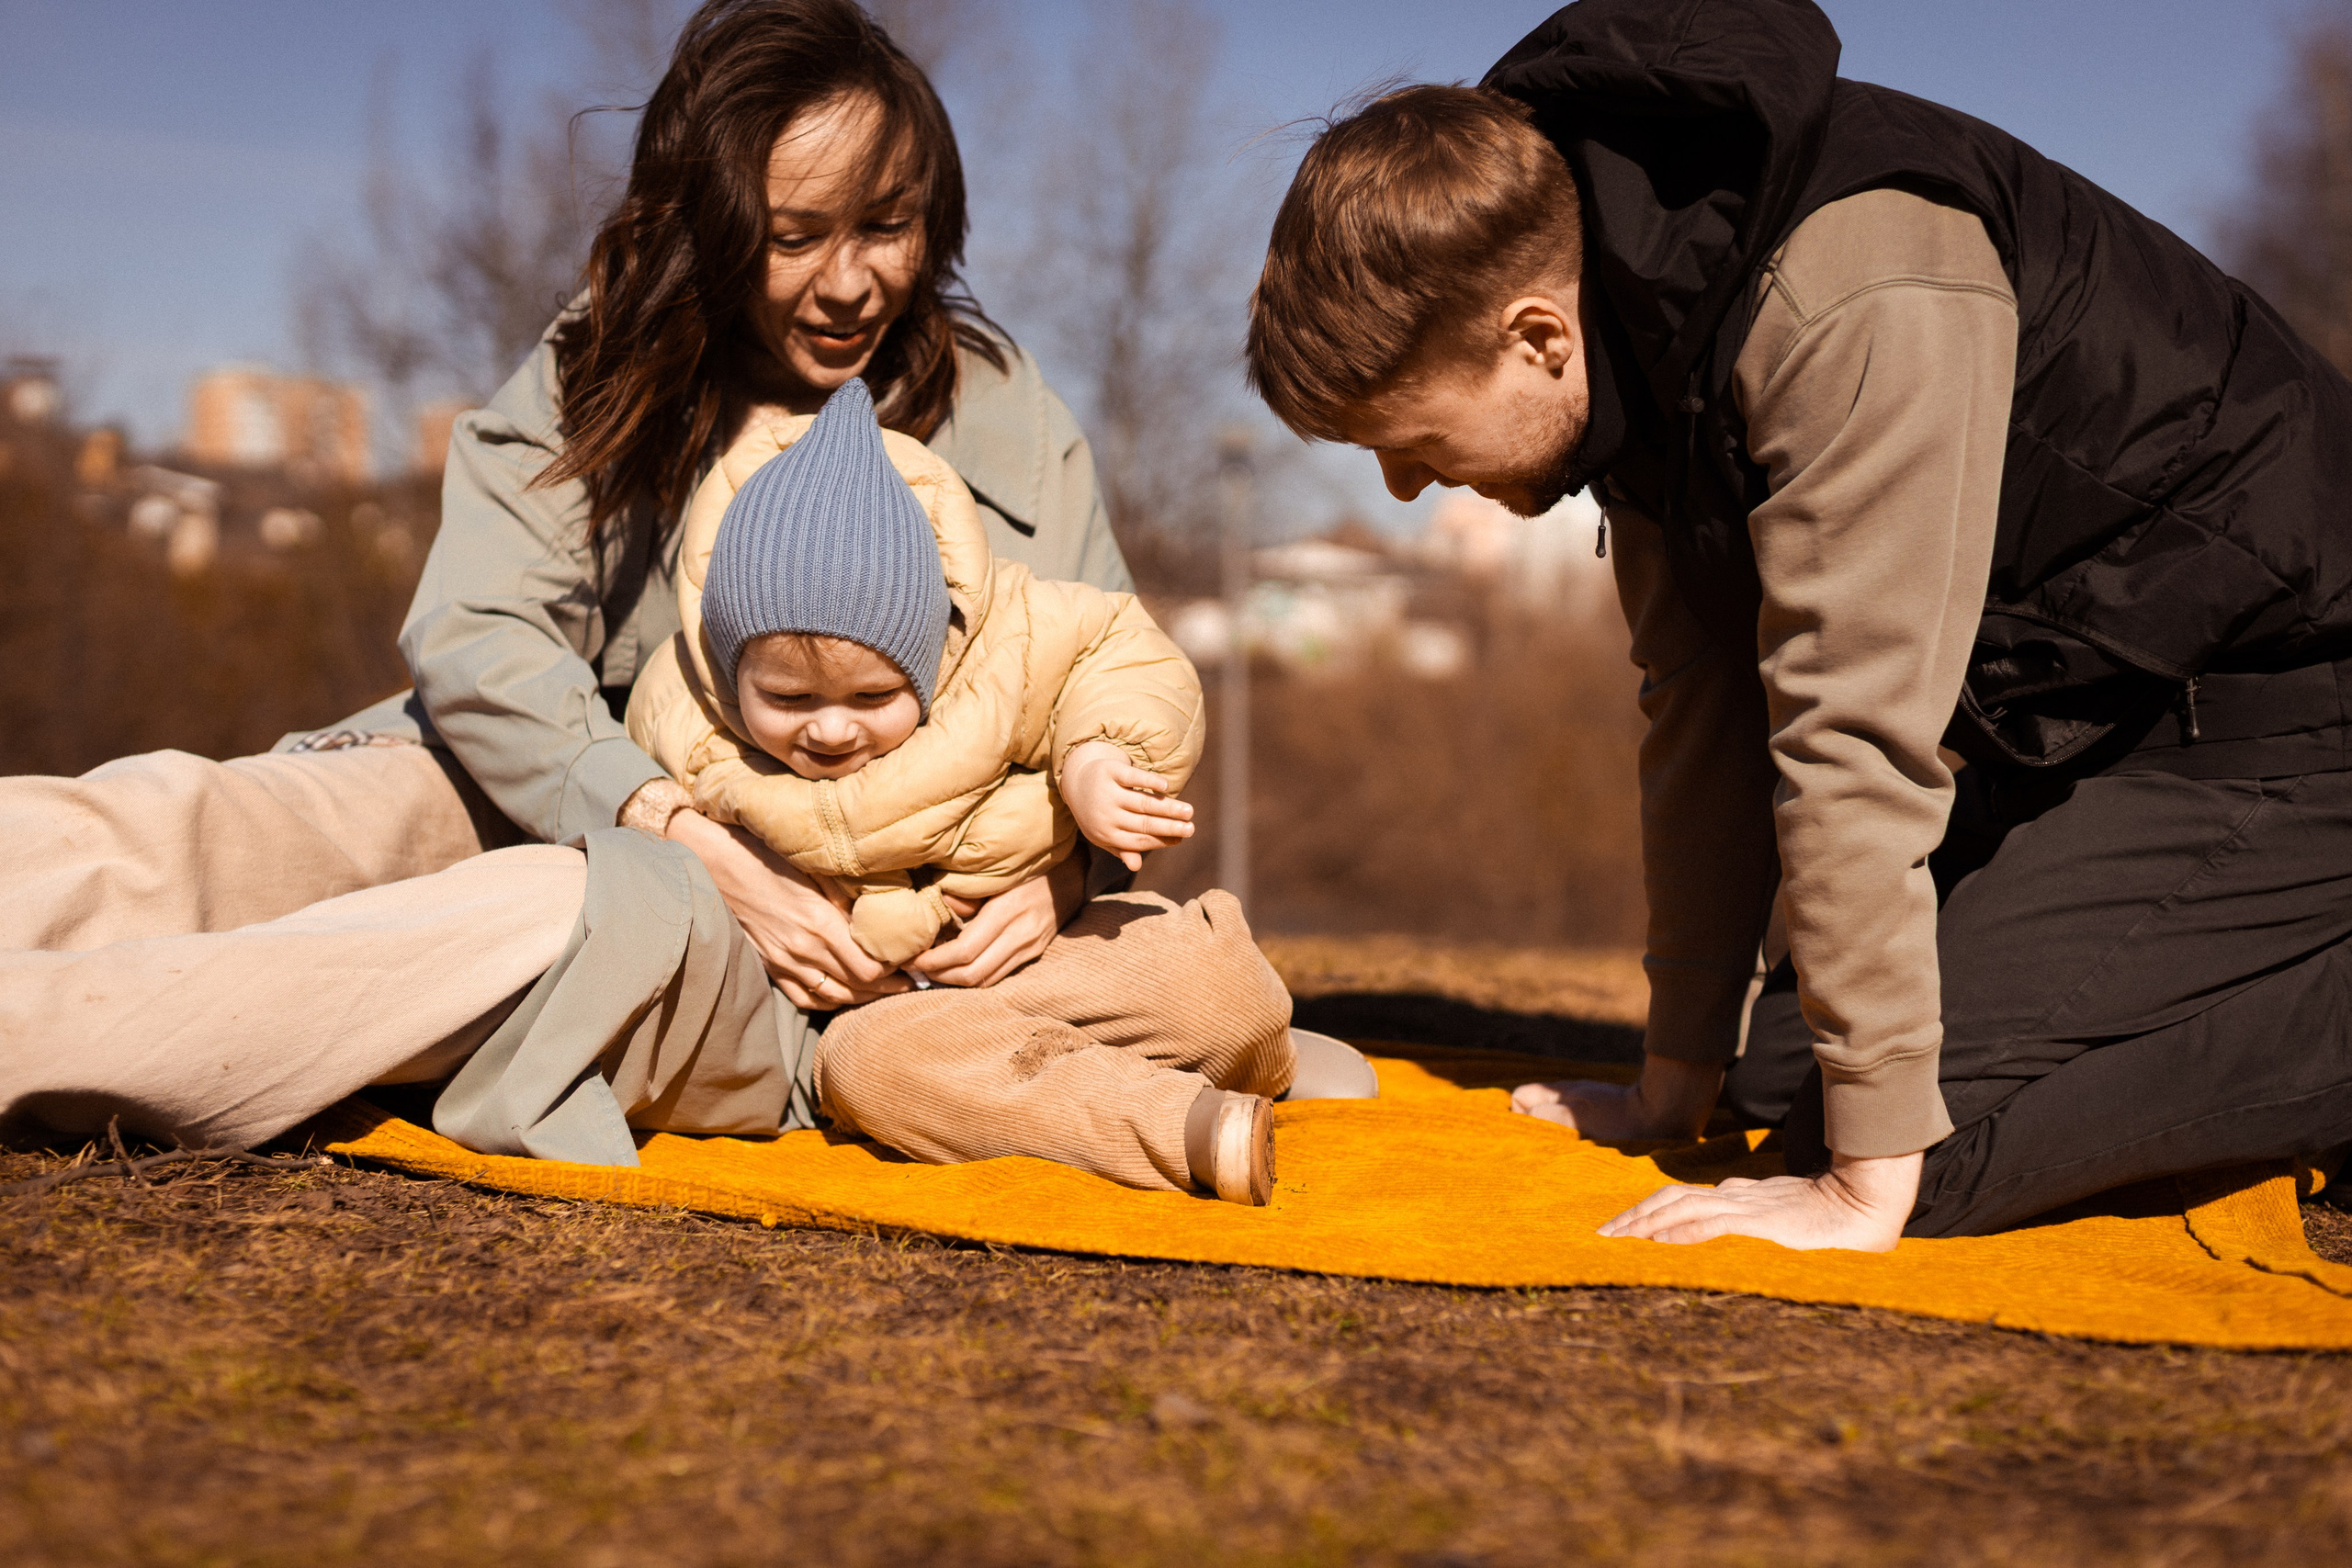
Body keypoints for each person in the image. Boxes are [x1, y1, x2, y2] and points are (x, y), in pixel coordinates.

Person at [1242, 0, 2352, 1248]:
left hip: (2288, 698)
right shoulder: (1637, 337)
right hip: (2096, 723)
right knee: (1777, 1082)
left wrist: (1860, 1188)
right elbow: (1701, 710)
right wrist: (1674, 1081)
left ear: (1536, 337)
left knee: (1915, 1146)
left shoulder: (1848, 292)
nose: (1402, 487)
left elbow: (1853, 730)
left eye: (1410, 440)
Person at [0, 0, 1134, 1155]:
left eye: (887, 226)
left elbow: (1109, 685)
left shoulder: (1002, 414)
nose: (850, 284)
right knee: (224, 826)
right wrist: (675, 825)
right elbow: (480, 631)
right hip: (542, 788)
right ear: (711, 224)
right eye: (794, 238)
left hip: (795, 926)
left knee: (514, 923)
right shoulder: (607, 363)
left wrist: (1061, 874)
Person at [627, 377, 1298, 1201]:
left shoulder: (1000, 651)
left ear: (930, 656)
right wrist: (669, 832)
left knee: (1209, 987)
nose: (830, 729)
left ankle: (1269, 1057)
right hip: (871, 1013)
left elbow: (1119, 655)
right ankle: (1180, 1124)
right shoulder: (682, 705)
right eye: (788, 699)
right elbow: (629, 798)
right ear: (732, 672)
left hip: (1033, 953)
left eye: (873, 696)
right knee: (872, 1068)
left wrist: (1096, 759)